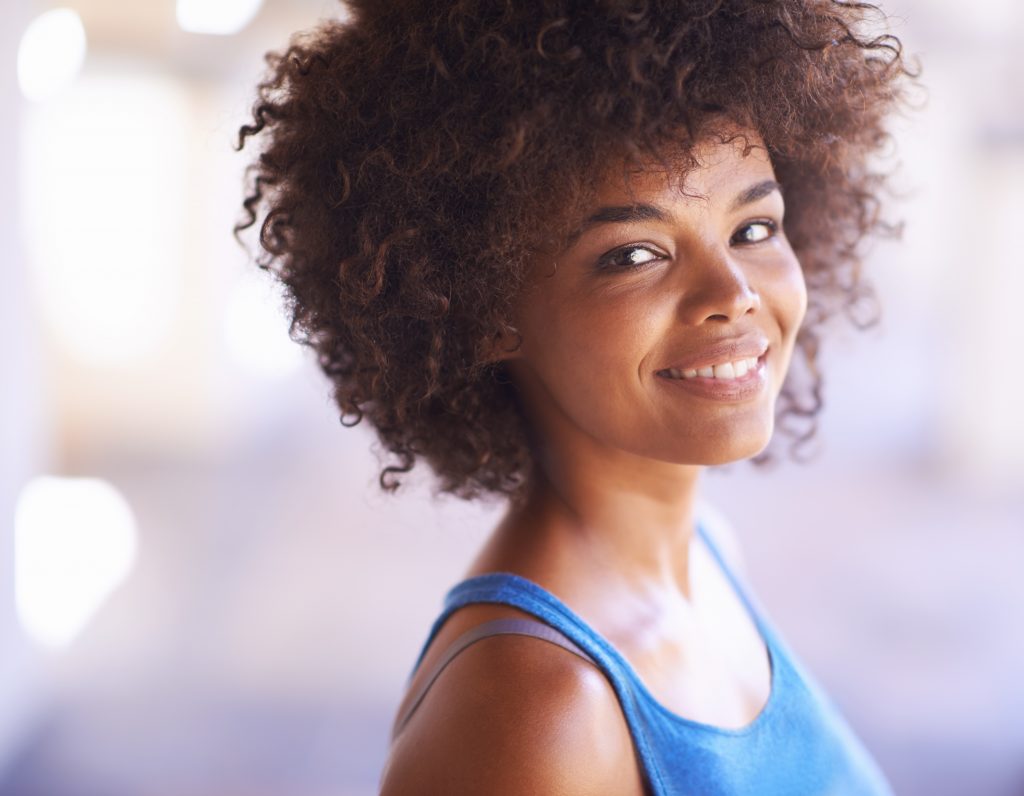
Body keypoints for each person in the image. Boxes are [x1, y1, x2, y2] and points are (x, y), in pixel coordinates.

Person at [237, 1, 914, 792]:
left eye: (753, 229)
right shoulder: (534, 714)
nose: (731, 293)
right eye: (634, 253)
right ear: (482, 307)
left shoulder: (704, 554)